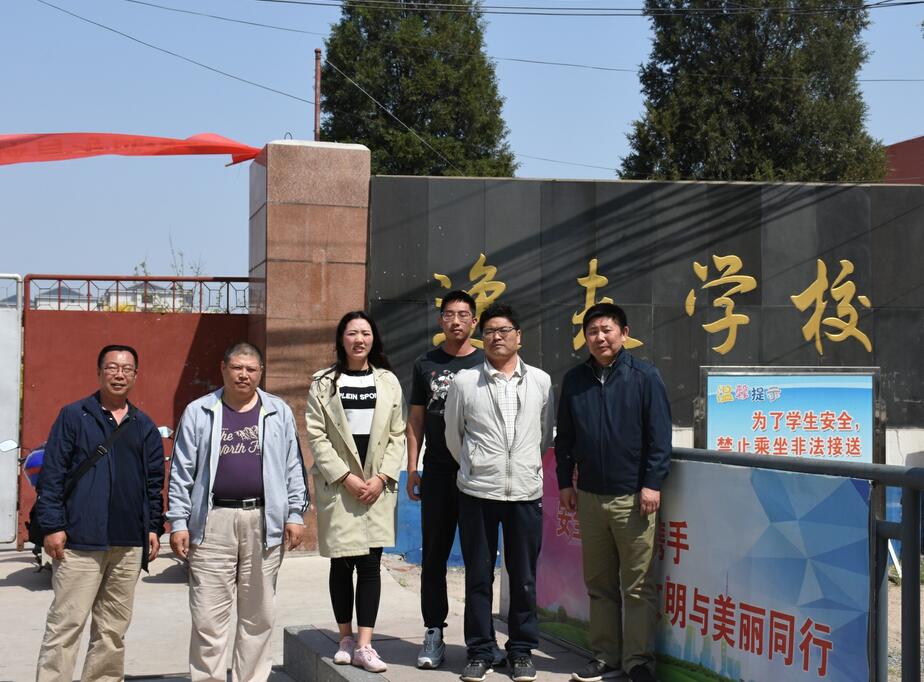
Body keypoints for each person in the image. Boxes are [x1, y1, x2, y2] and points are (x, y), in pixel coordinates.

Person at [167, 341, 308, 682]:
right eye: (237, 367)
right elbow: (182, 470)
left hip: (264, 521)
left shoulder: (278, 411)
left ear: (261, 372)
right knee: (207, 616)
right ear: (223, 368)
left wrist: (295, 514)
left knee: (258, 616)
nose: (244, 375)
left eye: (251, 369)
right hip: (212, 522)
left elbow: (293, 466)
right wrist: (178, 521)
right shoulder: (199, 411)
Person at [555, 303, 671, 682]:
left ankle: (638, 662)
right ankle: (605, 656)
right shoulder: (575, 380)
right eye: (592, 331)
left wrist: (652, 483)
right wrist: (564, 482)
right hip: (589, 497)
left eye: (607, 329)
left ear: (624, 333)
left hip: (633, 498)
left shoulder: (645, 377)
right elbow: (565, 438)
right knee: (600, 586)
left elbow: (660, 438)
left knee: (637, 587)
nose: (600, 337)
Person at [34, 344, 165, 682]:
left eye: (126, 369)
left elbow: (154, 483)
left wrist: (152, 527)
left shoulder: (144, 425)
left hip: (128, 544)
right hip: (80, 541)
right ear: (99, 372)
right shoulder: (73, 416)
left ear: (135, 375)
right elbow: (52, 474)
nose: (119, 374)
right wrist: (52, 525)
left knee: (112, 631)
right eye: (112, 367)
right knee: (65, 626)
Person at [444, 303, 555, 682]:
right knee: (478, 577)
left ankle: (521, 651)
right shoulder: (465, 382)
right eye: (490, 331)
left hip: (524, 493)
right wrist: (477, 466)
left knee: (523, 578)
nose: (497, 337)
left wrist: (523, 466)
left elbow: (544, 435)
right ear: (482, 337)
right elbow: (454, 436)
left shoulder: (540, 381)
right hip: (478, 492)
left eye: (504, 330)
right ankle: (480, 650)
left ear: (518, 336)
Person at [406, 290, 503, 670]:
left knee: (480, 560)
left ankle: (482, 639)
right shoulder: (425, 364)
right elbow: (416, 419)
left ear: (474, 322)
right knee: (434, 557)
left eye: (464, 315)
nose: (456, 321)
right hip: (438, 473)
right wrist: (413, 467)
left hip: (478, 474)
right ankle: (433, 631)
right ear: (441, 320)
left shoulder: (486, 361)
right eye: (449, 314)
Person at [305, 311, 406, 674]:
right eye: (352, 333)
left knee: (370, 564)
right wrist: (344, 476)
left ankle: (365, 644)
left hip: (376, 486)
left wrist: (382, 477)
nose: (359, 339)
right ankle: (344, 638)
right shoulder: (323, 383)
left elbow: (397, 435)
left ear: (373, 338)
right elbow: (316, 436)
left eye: (365, 333)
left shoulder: (388, 382)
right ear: (341, 339)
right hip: (340, 486)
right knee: (341, 562)